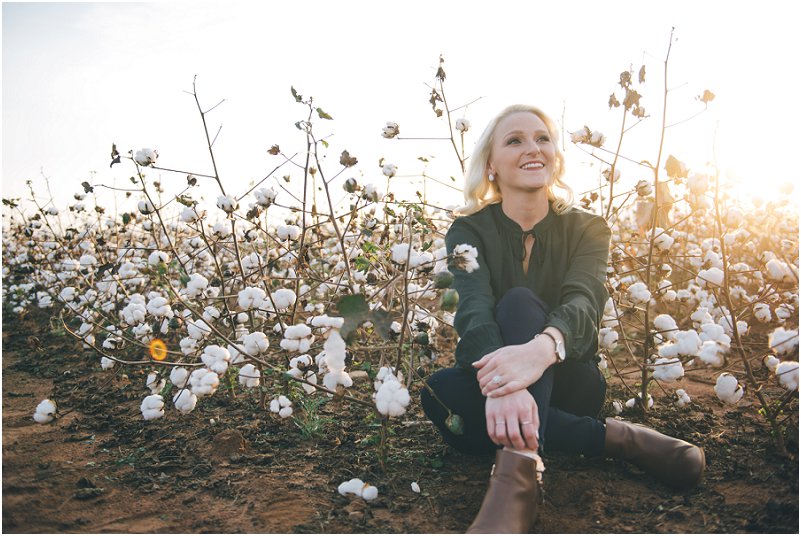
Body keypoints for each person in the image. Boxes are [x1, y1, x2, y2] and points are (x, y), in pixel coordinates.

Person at [420, 104, 705, 533]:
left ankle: (515, 476)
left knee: (518, 304)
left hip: (570, 378)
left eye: (543, 138)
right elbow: (473, 305)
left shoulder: (588, 228)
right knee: (440, 392)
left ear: (555, 155)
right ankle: (615, 440)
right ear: (492, 165)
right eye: (514, 140)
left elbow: (583, 301)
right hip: (495, 377)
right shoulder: (468, 231)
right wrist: (507, 383)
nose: (533, 148)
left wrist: (541, 349)